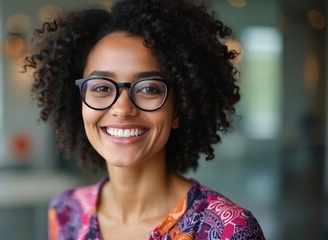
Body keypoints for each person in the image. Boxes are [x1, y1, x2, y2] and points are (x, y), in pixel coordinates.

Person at [24, 0, 265, 239]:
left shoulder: (231, 230)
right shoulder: (66, 212)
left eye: (149, 89)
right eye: (100, 87)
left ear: (178, 110)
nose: (122, 108)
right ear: (81, 104)